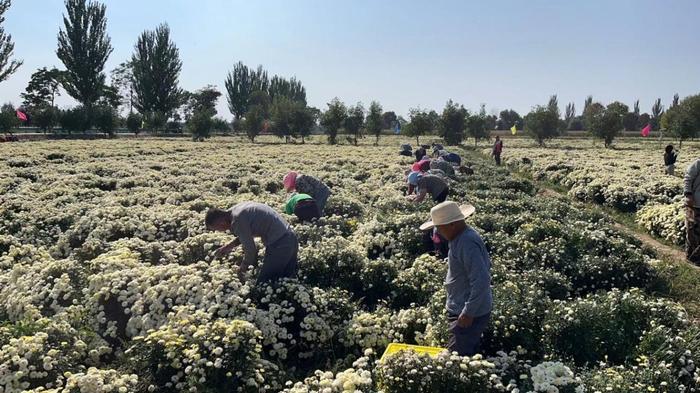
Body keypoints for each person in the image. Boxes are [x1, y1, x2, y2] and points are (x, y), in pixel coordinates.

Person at [419, 201, 492, 356]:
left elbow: (481, 280)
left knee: (457, 357)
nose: (437, 232)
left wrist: (468, 312)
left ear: (452, 224)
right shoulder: (459, 238)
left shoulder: (467, 242)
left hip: (468, 312)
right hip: (461, 307)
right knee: (462, 351)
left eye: (439, 227)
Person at [206, 202, 299, 282]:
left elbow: (250, 249)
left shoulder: (237, 220)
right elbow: (245, 235)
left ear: (220, 223)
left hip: (280, 244)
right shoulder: (236, 210)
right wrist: (227, 247)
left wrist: (243, 268)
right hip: (290, 237)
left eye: (216, 229)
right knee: (286, 278)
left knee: (264, 283)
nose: (219, 231)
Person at [684, 160, 700, 264]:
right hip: (695, 203)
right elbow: (688, 178)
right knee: (692, 230)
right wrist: (688, 194)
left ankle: (697, 257)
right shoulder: (698, 163)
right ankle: (691, 256)